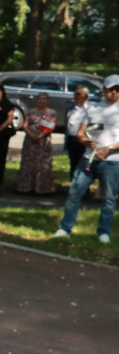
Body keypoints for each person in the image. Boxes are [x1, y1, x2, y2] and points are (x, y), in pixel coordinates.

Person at [54, 74, 119, 244]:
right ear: (104, 90)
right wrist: (84, 140)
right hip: (88, 159)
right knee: (74, 193)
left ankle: (103, 232)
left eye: (117, 90)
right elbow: (80, 133)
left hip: (112, 161)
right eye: (110, 89)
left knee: (108, 198)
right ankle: (65, 228)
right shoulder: (92, 108)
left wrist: (109, 148)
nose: (113, 93)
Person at [16, 93, 57, 195]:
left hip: (43, 143)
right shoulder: (30, 112)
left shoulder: (51, 113)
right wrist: (31, 134)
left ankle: (42, 188)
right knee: (29, 164)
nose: (41, 101)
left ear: (47, 101)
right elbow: (25, 125)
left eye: (44, 99)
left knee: (42, 165)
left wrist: (40, 136)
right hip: (30, 142)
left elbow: (51, 126)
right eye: (39, 99)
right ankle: (26, 187)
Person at [64, 87, 90, 178]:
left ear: (85, 96)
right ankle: (73, 188)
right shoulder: (71, 109)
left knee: (84, 166)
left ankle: (84, 190)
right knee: (73, 165)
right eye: (75, 94)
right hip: (72, 140)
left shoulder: (90, 109)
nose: (75, 96)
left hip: (84, 141)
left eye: (78, 94)